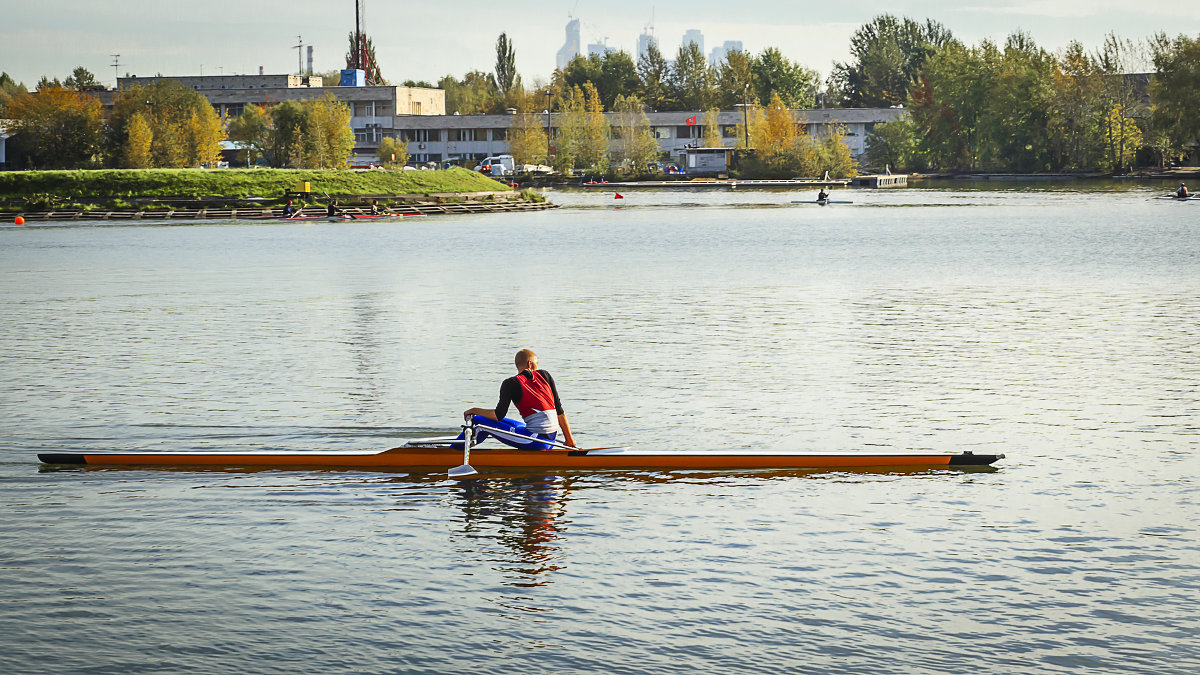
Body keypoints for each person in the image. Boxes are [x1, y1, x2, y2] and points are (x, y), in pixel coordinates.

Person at [461, 349, 577, 450]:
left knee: (479, 423)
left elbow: (498, 415)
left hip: (536, 442)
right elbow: (560, 411)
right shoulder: (545, 375)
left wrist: (474, 410)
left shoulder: (510, 383)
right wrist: (569, 440)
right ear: (530, 364)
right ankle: (459, 450)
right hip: (550, 440)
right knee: (490, 421)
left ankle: (452, 453)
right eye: (537, 364)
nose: (537, 368)